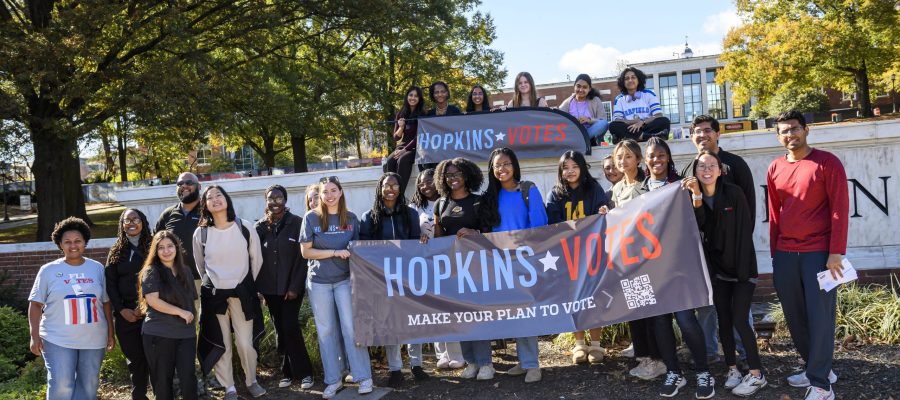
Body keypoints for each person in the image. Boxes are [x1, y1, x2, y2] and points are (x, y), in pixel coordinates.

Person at [767, 111, 848, 400]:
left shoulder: (827, 163)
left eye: (795, 129)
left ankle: (822, 386)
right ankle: (818, 368)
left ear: (806, 130)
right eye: (784, 131)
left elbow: (839, 210)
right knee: (795, 316)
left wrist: (836, 252)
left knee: (820, 317)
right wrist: (775, 252)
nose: (790, 135)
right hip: (786, 253)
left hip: (819, 253)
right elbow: (775, 214)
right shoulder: (775, 167)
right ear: (778, 137)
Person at [684, 151, 767, 397]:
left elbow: (743, 233)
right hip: (718, 272)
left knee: (740, 320)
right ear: (695, 172)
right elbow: (700, 229)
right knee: (724, 320)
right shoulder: (692, 197)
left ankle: (756, 373)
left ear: (721, 170)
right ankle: (732, 369)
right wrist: (697, 199)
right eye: (701, 166)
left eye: (712, 165)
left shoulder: (734, 193)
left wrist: (742, 273)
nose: (706, 170)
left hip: (742, 270)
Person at [634, 138, 713, 399]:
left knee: (686, 319)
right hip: (652, 269)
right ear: (645, 161)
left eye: (660, 155)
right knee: (659, 321)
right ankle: (673, 371)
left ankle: (704, 372)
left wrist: (697, 196)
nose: (656, 160)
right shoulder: (638, 191)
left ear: (667, 157)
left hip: (680, 265)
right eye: (651, 157)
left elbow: (700, 224)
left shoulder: (681, 185)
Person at [680, 114, 757, 364]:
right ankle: (709, 352)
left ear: (717, 134)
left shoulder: (736, 165)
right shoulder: (687, 170)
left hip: (733, 252)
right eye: (697, 132)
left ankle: (745, 355)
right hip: (701, 252)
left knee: (738, 308)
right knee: (705, 305)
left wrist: (740, 248)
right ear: (691, 138)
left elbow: (750, 212)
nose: (702, 136)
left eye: (707, 131)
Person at [478, 148, 548, 384]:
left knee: (526, 312)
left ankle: (532, 365)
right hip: (499, 264)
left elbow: (539, 226)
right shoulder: (490, 197)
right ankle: (523, 360)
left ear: (515, 165)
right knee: (512, 314)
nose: (502, 169)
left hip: (524, 261)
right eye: (497, 165)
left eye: (506, 164)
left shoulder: (528, 190)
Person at [300, 176, 374, 399]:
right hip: (319, 282)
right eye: (325, 192)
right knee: (326, 332)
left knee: (351, 328)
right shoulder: (311, 218)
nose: (329, 195)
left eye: (333, 190)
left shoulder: (350, 218)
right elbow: (306, 252)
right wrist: (333, 253)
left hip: (344, 280)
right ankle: (333, 380)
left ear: (341, 192)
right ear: (320, 195)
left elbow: (358, 250)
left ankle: (363, 376)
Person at [28, 217, 115, 400]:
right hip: (57, 338)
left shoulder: (97, 269)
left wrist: (110, 332)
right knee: (61, 384)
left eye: (77, 241)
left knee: (89, 385)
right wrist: (34, 336)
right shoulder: (48, 270)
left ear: (85, 243)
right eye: (67, 242)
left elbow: (106, 302)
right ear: (60, 244)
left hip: (93, 339)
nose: (73, 245)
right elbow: (35, 305)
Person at [599, 140, 665, 381]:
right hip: (625, 259)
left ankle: (657, 360)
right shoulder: (617, 189)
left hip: (645, 259)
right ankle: (644, 356)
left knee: (649, 311)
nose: (622, 161)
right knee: (635, 309)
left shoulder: (646, 187)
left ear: (638, 159)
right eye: (619, 157)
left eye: (627, 156)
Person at [192, 185, 266, 400]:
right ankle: (229, 387)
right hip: (215, 296)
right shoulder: (202, 233)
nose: (215, 199)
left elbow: (256, 260)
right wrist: (216, 282)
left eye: (219, 195)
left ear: (227, 200)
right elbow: (200, 265)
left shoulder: (245, 227)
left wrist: (246, 286)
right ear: (205, 205)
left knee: (245, 343)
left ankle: (251, 381)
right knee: (220, 342)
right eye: (209, 197)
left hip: (243, 294)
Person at [359, 173, 429, 387]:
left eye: (395, 185)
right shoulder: (369, 217)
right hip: (383, 279)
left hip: (408, 277)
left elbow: (415, 244)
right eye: (386, 185)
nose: (390, 189)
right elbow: (364, 249)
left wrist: (422, 240)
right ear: (380, 189)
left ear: (400, 189)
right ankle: (396, 369)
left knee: (412, 323)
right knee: (390, 324)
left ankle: (417, 365)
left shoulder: (409, 214)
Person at [545, 150, 610, 365]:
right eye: (566, 167)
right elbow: (552, 224)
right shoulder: (555, 194)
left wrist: (604, 210)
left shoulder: (594, 188)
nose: (570, 171)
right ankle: (580, 344)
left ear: (582, 168)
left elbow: (605, 213)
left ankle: (597, 345)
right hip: (568, 256)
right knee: (575, 299)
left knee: (593, 298)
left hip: (592, 253)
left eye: (574, 167)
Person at [432, 158, 491, 380]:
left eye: (457, 174)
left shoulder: (479, 201)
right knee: (462, 316)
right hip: (452, 269)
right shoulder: (440, 204)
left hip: (476, 267)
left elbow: (489, 233)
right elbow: (437, 238)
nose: (452, 178)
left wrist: (475, 232)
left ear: (467, 175)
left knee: (478, 315)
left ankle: (486, 363)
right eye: (448, 175)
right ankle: (471, 362)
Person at [254, 185, 314, 390]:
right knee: (280, 330)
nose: (274, 202)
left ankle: (305, 373)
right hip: (270, 290)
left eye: (279, 198)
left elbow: (301, 259)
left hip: (291, 289)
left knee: (290, 327)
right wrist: (258, 288)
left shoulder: (297, 223)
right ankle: (287, 372)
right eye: (270, 198)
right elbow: (254, 259)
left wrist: (295, 287)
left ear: (285, 201)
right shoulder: (260, 227)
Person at [411, 169, 466, 369]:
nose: (425, 186)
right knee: (433, 307)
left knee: (450, 306)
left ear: (438, 181)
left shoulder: (448, 202)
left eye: (429, 182)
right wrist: (418, 238)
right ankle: (441, 354)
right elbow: (409, 233)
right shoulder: (414, 207)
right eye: (421, 183)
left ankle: (457, 355)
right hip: (425, 262)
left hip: (449, 260)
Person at [138, 231, 198, 400]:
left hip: (186, 334)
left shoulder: (186, 271)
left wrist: (193, 322)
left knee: (189, 378)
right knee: (163, 381)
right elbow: (152, 300)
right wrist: (180, 312)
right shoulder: (151, 271)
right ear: (155, 251)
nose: (166, 251)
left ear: (177, 248)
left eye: (170, 246)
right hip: (159, 334)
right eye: (161, 247)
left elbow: (191, 301)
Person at [105, 209, 152, 400]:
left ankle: (162, 393)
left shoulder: (153, 247)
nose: (131, 223)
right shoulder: (116, 251)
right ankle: (139, 396)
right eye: (127, 220)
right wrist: (122, 309)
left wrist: (145, 305)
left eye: (135, 219)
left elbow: (163, 279)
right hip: (126, 315)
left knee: (155, 358)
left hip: (153, 312)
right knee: (136, 360)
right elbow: (110, 284)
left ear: (143, 222)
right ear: (122, 225)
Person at [155, 172, 203, 312]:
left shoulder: (208, 212)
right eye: (180, 184)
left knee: (206, 324)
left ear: (199, 186)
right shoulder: (168, 214)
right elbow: (154, 243)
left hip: (203, 279)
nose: (184, 186)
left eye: (189, 183)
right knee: (181, 323)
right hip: (174, 279)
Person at [609, 67, 670, 143]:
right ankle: (651, 136)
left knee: (664, 121)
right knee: (613, 126)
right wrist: (634, 122)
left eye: (633, 77)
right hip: (630, 128)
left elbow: (658, 115)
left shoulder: (649, 94)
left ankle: (633, 138)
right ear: (623, 82)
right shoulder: (619, 99)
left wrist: (642, 122)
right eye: (627, 78)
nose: (630, 80)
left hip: (646, 126)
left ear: (638, 80)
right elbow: (618, 120)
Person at [384, 86, 425, 195]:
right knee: (390, 161)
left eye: (416, 96)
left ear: (419, 98)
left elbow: (419, 137)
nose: (413, 98)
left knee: (403, 160)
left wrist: (405, 150)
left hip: (416, 148)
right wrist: (401, 127)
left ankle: (400, 194)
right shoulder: (401, 113)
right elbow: (396, 137)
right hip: (402, 146)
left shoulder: (423, 114)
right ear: (407, 97)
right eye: (411, 95)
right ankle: (390, 192)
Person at [557, 74, 609, 144]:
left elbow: (602, 120)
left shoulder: (595, 100)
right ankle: (582, 139)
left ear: (589, 89)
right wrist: (572, 120)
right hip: (574, 132)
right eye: (578, 86)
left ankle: (582, 139)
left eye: (584, 87)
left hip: (591, 132)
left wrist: (589, 120)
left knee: (604, 123)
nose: (581, 90)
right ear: (574, 86)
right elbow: (558, 119)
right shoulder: (567, 102)